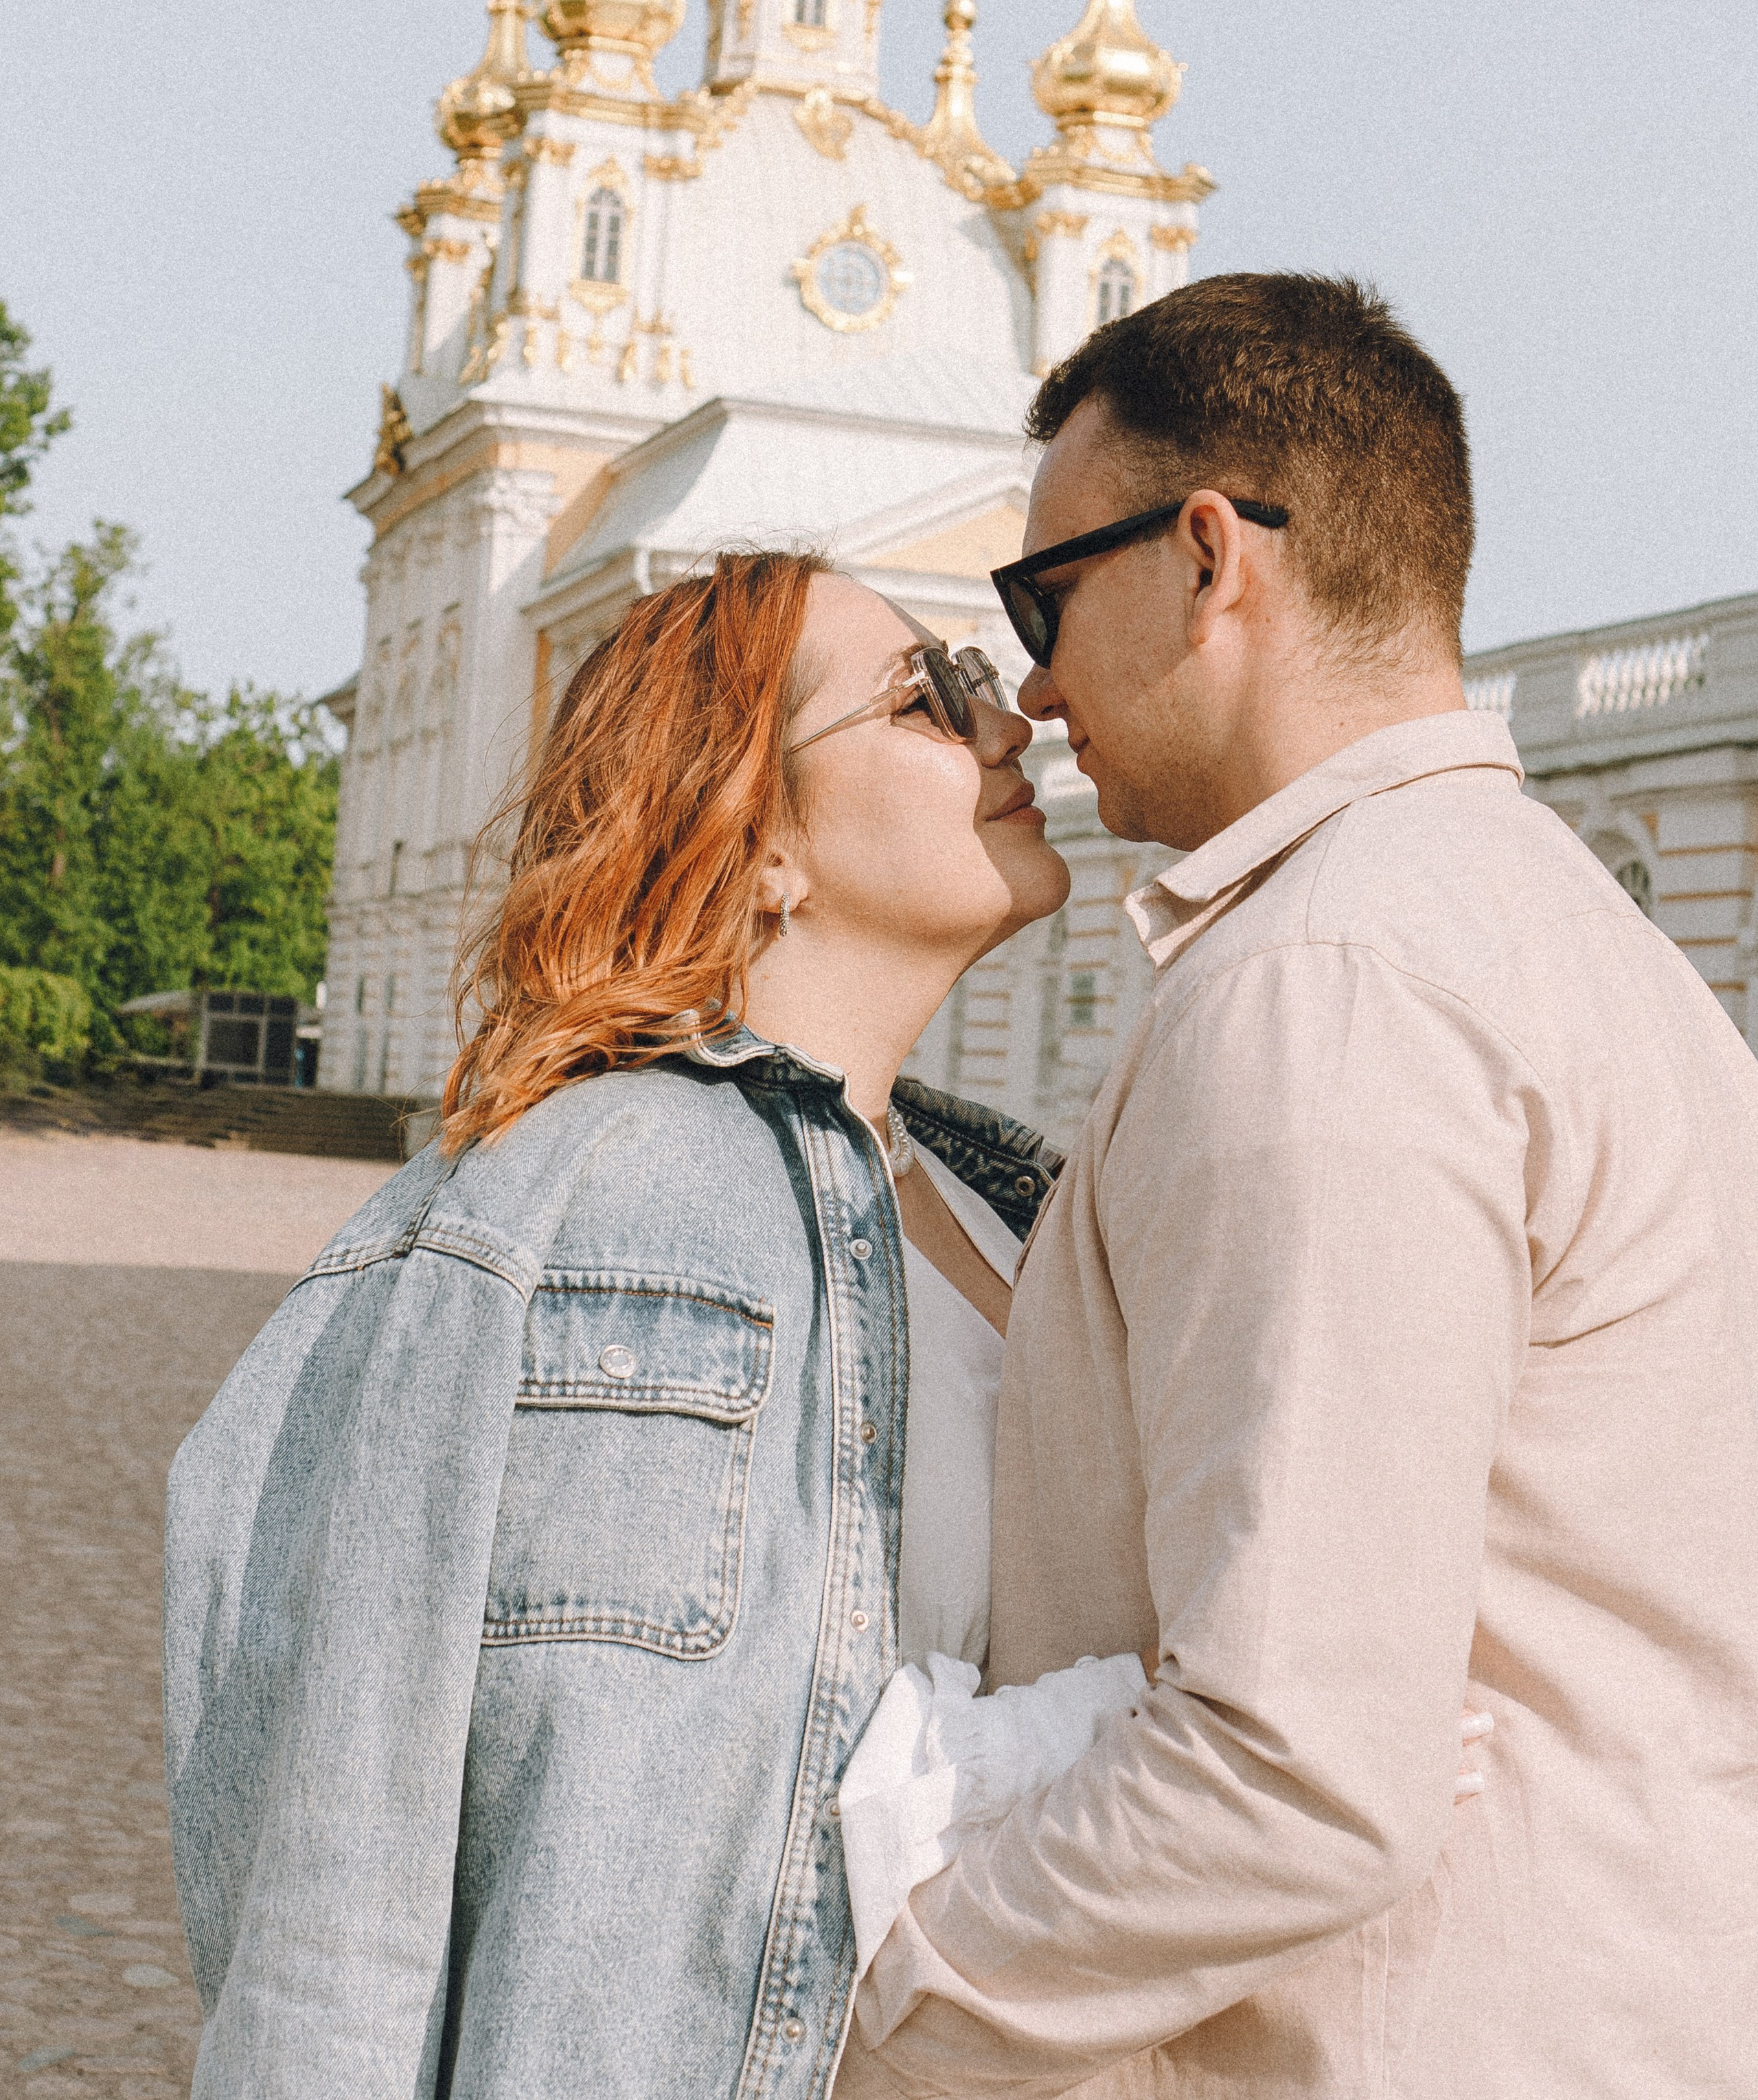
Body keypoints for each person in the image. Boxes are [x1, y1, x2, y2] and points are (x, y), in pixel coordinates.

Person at [838, 273, 1758, 2098]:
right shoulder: (1559, 935)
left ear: (1208, 560)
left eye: (1045, 599)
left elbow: (1297, 1774)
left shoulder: (1333, 980)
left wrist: (869, 2033)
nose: (1029, 682)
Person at [162, 551, 1075, 2097]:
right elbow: (336, 1844)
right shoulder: (555, 1206)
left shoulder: (1019, 1205)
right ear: (757, 834)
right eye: (933, 696)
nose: (1009, 731)